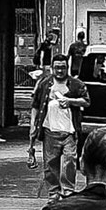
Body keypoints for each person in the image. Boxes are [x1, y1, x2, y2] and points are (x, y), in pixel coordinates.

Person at [40, 56, 77, 197]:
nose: (60, 70)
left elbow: (86, 101)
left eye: (63, 67)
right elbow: (36, 106)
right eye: (57, 67)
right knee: (50, 163)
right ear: (52, 68)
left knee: (70, 160)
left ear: (67, 68)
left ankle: (68, 190)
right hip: (50, 130)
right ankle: (53, 192)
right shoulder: (45, 84)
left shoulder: (75, 84)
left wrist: (70, 101)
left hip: (69, 131)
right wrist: (33, 129)